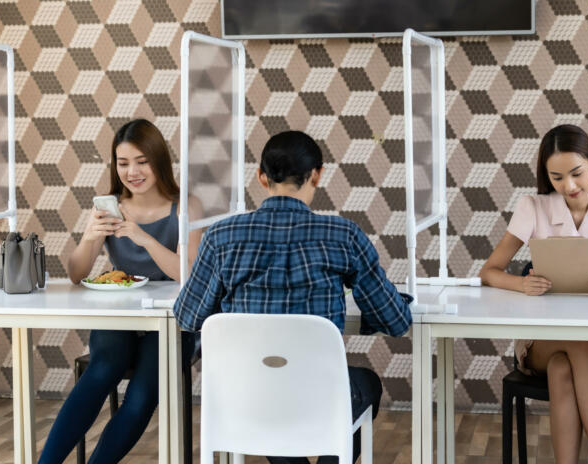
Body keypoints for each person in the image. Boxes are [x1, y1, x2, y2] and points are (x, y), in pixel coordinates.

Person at [173, 130, 413, 464]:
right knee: (366, 383)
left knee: (270, 394)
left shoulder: (220, 237)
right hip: (316, 399)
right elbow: (397, 322)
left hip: (243, 398)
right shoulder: (343, 236)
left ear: (261, 177)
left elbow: (187, 316)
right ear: (317, 175)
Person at [479, 124, 588, 464]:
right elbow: (489, 272)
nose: (569, 186)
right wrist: (522, 284)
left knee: (565, 365)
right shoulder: (534, 206)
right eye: (557, 177)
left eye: (576, 173)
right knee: (572, 343)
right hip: (542, 343)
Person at [38, 119, 202, 464]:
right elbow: (76, 274)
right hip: (121, 314)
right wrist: (91, 237)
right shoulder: (109, 205)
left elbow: (188, 276)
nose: (132, 172)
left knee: (141, 397)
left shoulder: (187, 207)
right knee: (103, 370)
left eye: (142, 161)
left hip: (173, 320)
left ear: (159, 161)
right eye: (123, 163)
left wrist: (142, 237)